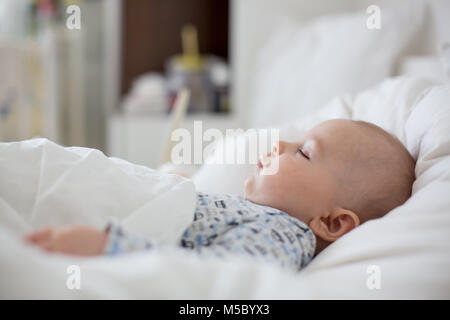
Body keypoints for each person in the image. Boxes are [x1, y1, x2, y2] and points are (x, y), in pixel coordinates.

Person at [24, 119, 416, 272]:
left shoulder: (283, 234)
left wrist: (107, 248)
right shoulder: (260, 215)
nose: (279, 143)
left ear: (331, 222)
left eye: (304, 152)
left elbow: (214, 280)